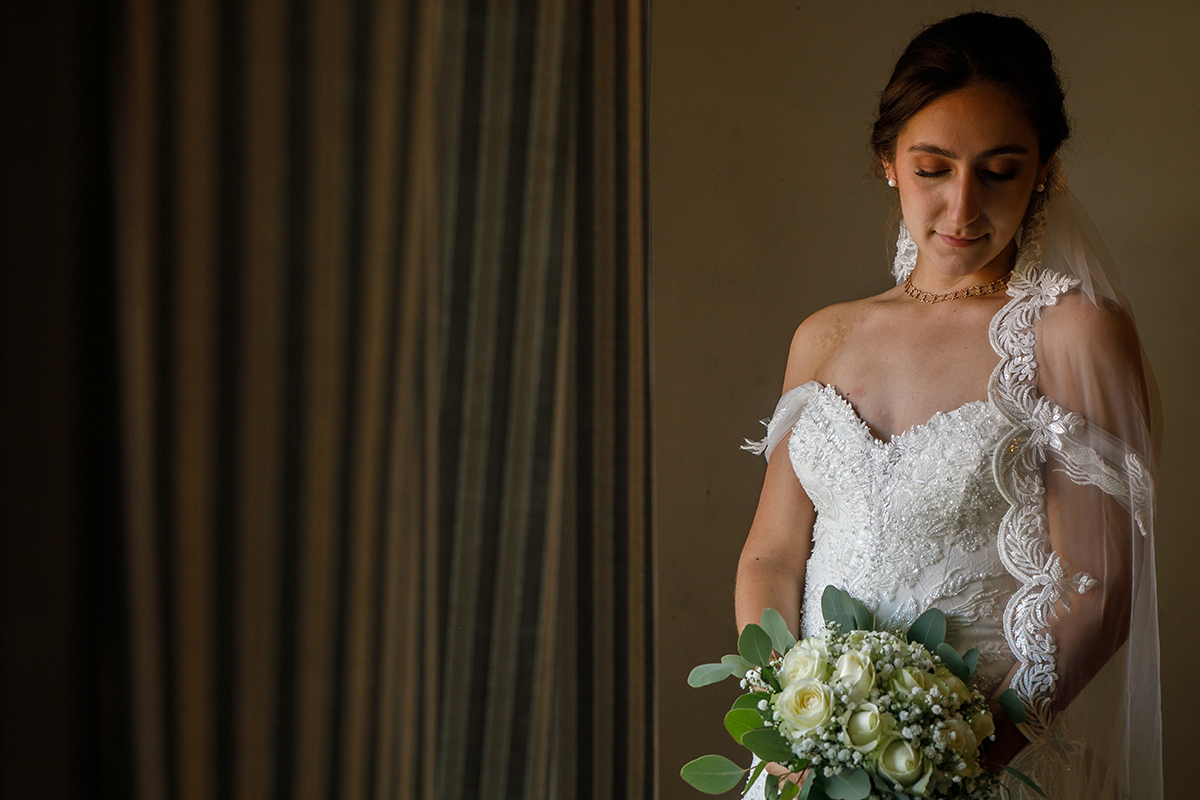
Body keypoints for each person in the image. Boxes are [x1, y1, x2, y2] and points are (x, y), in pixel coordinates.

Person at [737, 12, 1161, 800]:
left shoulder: (1073, 333)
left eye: (999, 170)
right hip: (806, 762)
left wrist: (951, 761)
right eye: (933, 168)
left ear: (1044, 170)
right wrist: (793, 722)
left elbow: (1100, 591)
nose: (963, 209)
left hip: (970, 766)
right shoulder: (824, 336)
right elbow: (771, 553)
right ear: (888, 163)